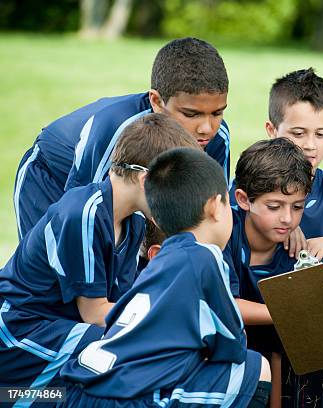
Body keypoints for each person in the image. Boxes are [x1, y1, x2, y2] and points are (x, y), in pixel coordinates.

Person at [0, 114, 200, 398]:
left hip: (62, 327)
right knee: (123, 352)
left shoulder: (134, 223)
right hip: (22, 331)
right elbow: (95, 314)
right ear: (146, 180)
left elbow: (120, 302)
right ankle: (18, 398)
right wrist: (168, 321)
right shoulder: (84, 214)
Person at [60, 147, 270, 408]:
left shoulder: (159, 260)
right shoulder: (206, 257)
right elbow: (232, 345)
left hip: (82, 385)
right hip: (129, 398)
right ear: (216, 207)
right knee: (255, 367)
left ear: (156, 218)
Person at [14, 37, 231, 240]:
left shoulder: (218, 137)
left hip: (126, 195)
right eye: (191, 114)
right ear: (156, 101)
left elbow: (214, 213)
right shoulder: (116, 128)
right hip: (51, 177)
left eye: (217, 113)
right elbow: (81, 209)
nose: (207, 128)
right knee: (59, 260)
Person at [231, 68, 323, 260]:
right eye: (298, 133)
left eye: (321, 134)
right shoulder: (246, 188)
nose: (310, 145)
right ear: (272, 130)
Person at [224, 137, 313, 406]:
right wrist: (286, 311)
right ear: (243, 199)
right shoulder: (223, 232)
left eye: (297, 207)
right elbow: (223, 304)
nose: (287, 218)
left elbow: (276, 349)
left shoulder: (294, 255)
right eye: (274, 207)